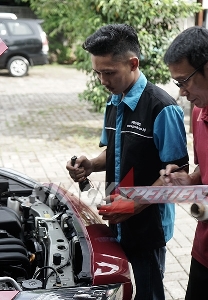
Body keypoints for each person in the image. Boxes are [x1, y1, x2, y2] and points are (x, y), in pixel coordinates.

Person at [66, 24, 189, 300]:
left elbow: (178, 172)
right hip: (118, 218)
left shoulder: (162, 107)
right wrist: (91, 164)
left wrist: (136, 204)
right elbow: (115, 151)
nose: (102, 80)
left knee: (149, 293)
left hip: (149, 226)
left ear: (133, 63)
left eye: (108, 72)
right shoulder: (114, 101)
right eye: (97, 72)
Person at [160, 26, 208, 300]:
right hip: (203, 252)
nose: (181, 93)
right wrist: (189, 180)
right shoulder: (198, 113)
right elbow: (203, 168)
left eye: (184, 81)